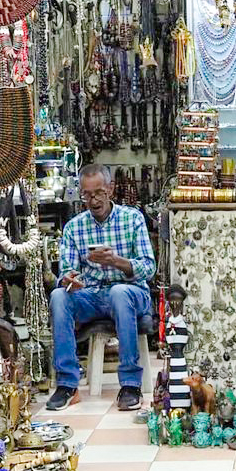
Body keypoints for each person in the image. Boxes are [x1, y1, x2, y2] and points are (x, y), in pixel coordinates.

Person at [47, 164, 157, 411]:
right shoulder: (74, 227)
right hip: (93, 295)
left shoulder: (132, 218)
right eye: (87, 194)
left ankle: (130, 384)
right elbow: (66, 271)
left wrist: (115, 261)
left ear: (111, 189)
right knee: (58, 297)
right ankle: (67, 385)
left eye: (98, 193)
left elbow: (149, 268)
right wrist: (68, 280)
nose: (93, 200)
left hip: (131, 292)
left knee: (119, 292)